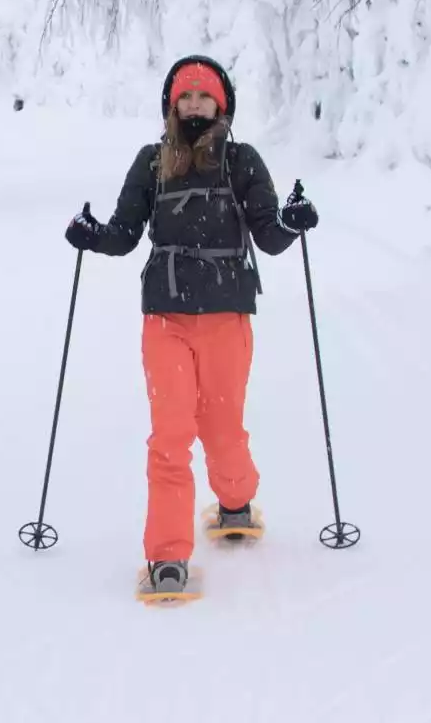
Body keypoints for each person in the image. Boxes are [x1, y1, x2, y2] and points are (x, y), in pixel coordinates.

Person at [63, 55, 318, 598]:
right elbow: (125, 233)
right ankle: (168, 558)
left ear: (221, 104)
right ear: (172, 105)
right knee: (171, 434)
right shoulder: (152, 161)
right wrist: (92, 235)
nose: (195, 104)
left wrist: (291, 223)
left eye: (205, 96)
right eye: (186, 97)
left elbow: (268, 235)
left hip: (228, 315)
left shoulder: (242, 160)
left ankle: (235, 500)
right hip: (166, 318)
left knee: (222, 430)